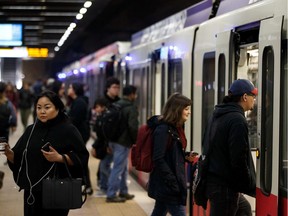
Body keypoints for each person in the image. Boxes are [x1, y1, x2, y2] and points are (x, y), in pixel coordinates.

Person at [4, 90, 89, 216]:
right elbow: (19, 159)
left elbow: (82, 156)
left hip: (57, 189)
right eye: (39, 108)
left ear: (58, 108)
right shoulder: (31, 130)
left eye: (47, 107)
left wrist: (60, 158)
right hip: (32, 192)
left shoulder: (68, 130)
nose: (42, 111)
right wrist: (8, 153)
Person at [204, 79, 257, 216]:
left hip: (215, 182)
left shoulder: (217, 114)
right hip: (225, 187)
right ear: (245, 97)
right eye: (253, 96)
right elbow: (238, 158)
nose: (254, 100)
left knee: (244, 210)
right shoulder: (237, 120)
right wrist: (247, 183)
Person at [147, 93, 194, 216]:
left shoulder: (176, 128)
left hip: (169, 183)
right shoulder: (163, 130)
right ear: (177, 110)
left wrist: (185, 156)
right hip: (168, 184)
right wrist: (173, 181)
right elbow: (158, 158)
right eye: (186, 109)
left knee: (159, 211)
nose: (189, 112)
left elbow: (171, 153)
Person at [106, 85, 139, 203]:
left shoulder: (116, 104)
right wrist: (136, 140)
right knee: (118, 168)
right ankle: (111, 194)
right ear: (131, 95)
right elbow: (133, 127)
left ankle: (123, 191)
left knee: (124, 167)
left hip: (113, 140)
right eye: (135, 94)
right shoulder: (131, 108)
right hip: (123, 142)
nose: (136, 96)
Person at [67, 81, 93, 195]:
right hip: (80, 133)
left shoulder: (79, 102)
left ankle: (86, 185)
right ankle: (86, 185)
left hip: (80, 134)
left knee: (80, 160)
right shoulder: (77, 101)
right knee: (79, 159)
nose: (68, 89)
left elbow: (75, 120)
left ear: (74, 90)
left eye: (70, 87)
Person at [90, 98, 111, 196]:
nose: (96, 109)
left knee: (104, 167)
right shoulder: (100, 117)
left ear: (103, 107)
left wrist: (95, 146)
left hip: (107, 146)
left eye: (98, 107)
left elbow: (104, 135)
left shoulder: (105, 118)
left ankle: (106, 188)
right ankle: (104, 187)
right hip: (104, 146)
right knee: (104, 166)